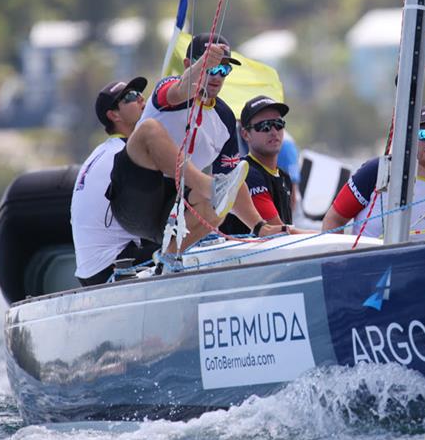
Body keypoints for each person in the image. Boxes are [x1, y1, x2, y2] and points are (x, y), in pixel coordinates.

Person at [106, 33, 282, 252]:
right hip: (131, 197)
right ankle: (208, 187)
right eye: (210, 67)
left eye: (223, 69)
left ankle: (169, 257)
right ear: (189, 64)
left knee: (224, 194)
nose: (216, 75)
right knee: (148, 129)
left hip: (168, 211)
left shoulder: (225, 118)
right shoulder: (170, 88)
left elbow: (233, 181)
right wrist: (201, 66)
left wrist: (259, 227)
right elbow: (181, 90)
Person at [322, 104, 425, 239]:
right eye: (423, 134)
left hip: (417, 272)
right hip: (364, 269)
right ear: (411, 137)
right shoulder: (376, 171)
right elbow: (334, 220)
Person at [71, 77, 158, 286]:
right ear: (114, 115)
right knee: (196, 243)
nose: (140, 99)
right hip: (113, 268)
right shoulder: (126, 154)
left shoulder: (104, 151)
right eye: (130, 97)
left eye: (139, 94)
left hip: (92, 271)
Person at [220, 95, 304, 234]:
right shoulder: (246, 173)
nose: (273, 132)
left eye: (278, 124)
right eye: (264, 126)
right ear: (246, 134)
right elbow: (277, 231)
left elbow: (286, 230)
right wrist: (327, 237)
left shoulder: (284, 176)